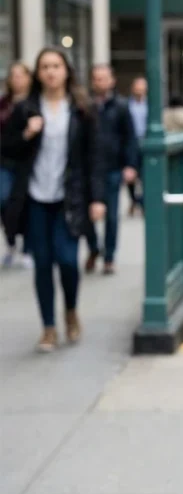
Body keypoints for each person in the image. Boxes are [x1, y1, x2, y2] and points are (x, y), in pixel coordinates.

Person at [0, 48, 106, 352]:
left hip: (68, 198)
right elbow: (7, 149)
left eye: (56, 66)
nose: (50, 72)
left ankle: (70, 310)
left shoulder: (82, 109)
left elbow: (94, 157)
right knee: (43, 264)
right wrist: (26, 134)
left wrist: (97, 198)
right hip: (34, 198)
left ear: (66, 71)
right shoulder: (27, 109)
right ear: (38, 73)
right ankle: (48, 328)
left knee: (68, 261)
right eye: (45, 66)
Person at [83, 64, 140, 275]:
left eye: (103, 78)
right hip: (88, 169)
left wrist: (130, 165)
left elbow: (130, 138)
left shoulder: (122, 107)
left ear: (112, 81)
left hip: (113, 167)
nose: (100, 82)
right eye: (96, 78)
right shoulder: (86, 106)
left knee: (112, 216)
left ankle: (109, 257)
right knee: (85, 214)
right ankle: (93, 248)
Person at [0, 61, 34, 268]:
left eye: (20, 75)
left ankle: (27, 247)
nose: (17, 79)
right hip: (4, 161)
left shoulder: (34, 102)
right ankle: (12, 241)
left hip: (27, 163)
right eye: (13, 75)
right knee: (4, 201)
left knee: (26, 205)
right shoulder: (4, 104)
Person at [126, 76, 147, 216]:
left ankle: (143, 203)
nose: (139, 90)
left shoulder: (151, 105)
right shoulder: (128, 105)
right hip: (131, 143)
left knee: (146, 176)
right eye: (137, 87)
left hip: (145, 143)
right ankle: (134, 200)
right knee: (130, 176)